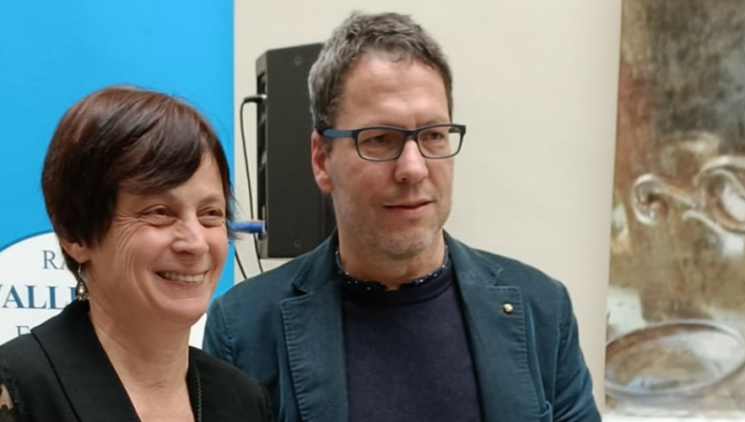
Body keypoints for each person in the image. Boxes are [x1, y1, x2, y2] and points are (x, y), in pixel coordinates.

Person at [203, 11, 600, 422]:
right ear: (321, 159)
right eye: (379, 139)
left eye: (433, 135)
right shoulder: (244, 328)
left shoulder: (542, 310)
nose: (413, 168)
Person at [0, 86, 273, 422]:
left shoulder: (244, 400)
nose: (196, 243)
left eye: (211, 214)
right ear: (75, 235)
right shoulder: (17, 391)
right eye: (160, 212)